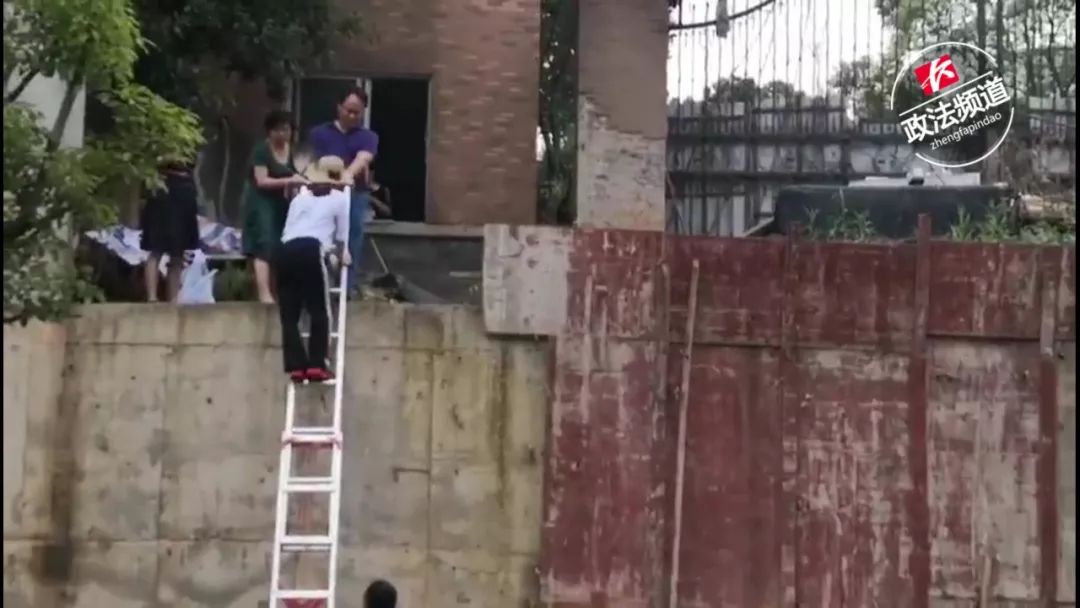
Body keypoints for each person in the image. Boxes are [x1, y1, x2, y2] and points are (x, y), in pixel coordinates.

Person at [308, 87, 379, 295]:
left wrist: (347, 176)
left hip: (354, 194)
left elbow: (363, 158)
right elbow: (314, 161)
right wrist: (333, 180)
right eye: (349, 110)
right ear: (339, 107)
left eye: (357, 112)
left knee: (352, 236)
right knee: (323, 236)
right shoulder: (319, 133)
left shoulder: (368, 136)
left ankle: (347, 287)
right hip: (323, 193)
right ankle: (322, 284)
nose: (352, 116)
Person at [242, 110, 305, 303]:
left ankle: (279, 291)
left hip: (282, 203)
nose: (282, 134)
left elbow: (295, 174)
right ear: (269, 131)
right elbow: (261, 180)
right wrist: (289, 181)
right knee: (264, 243)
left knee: (281, 245)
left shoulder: (290, 150)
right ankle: (264, 293)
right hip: (261, 201)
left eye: (286, 130)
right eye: (277, 130)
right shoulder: (261, 150)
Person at [140, 164, 199, 303]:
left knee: (178, 252)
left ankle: (173, 299)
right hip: (164, 187)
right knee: (156, 248)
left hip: (183, 189)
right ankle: (152, 297)